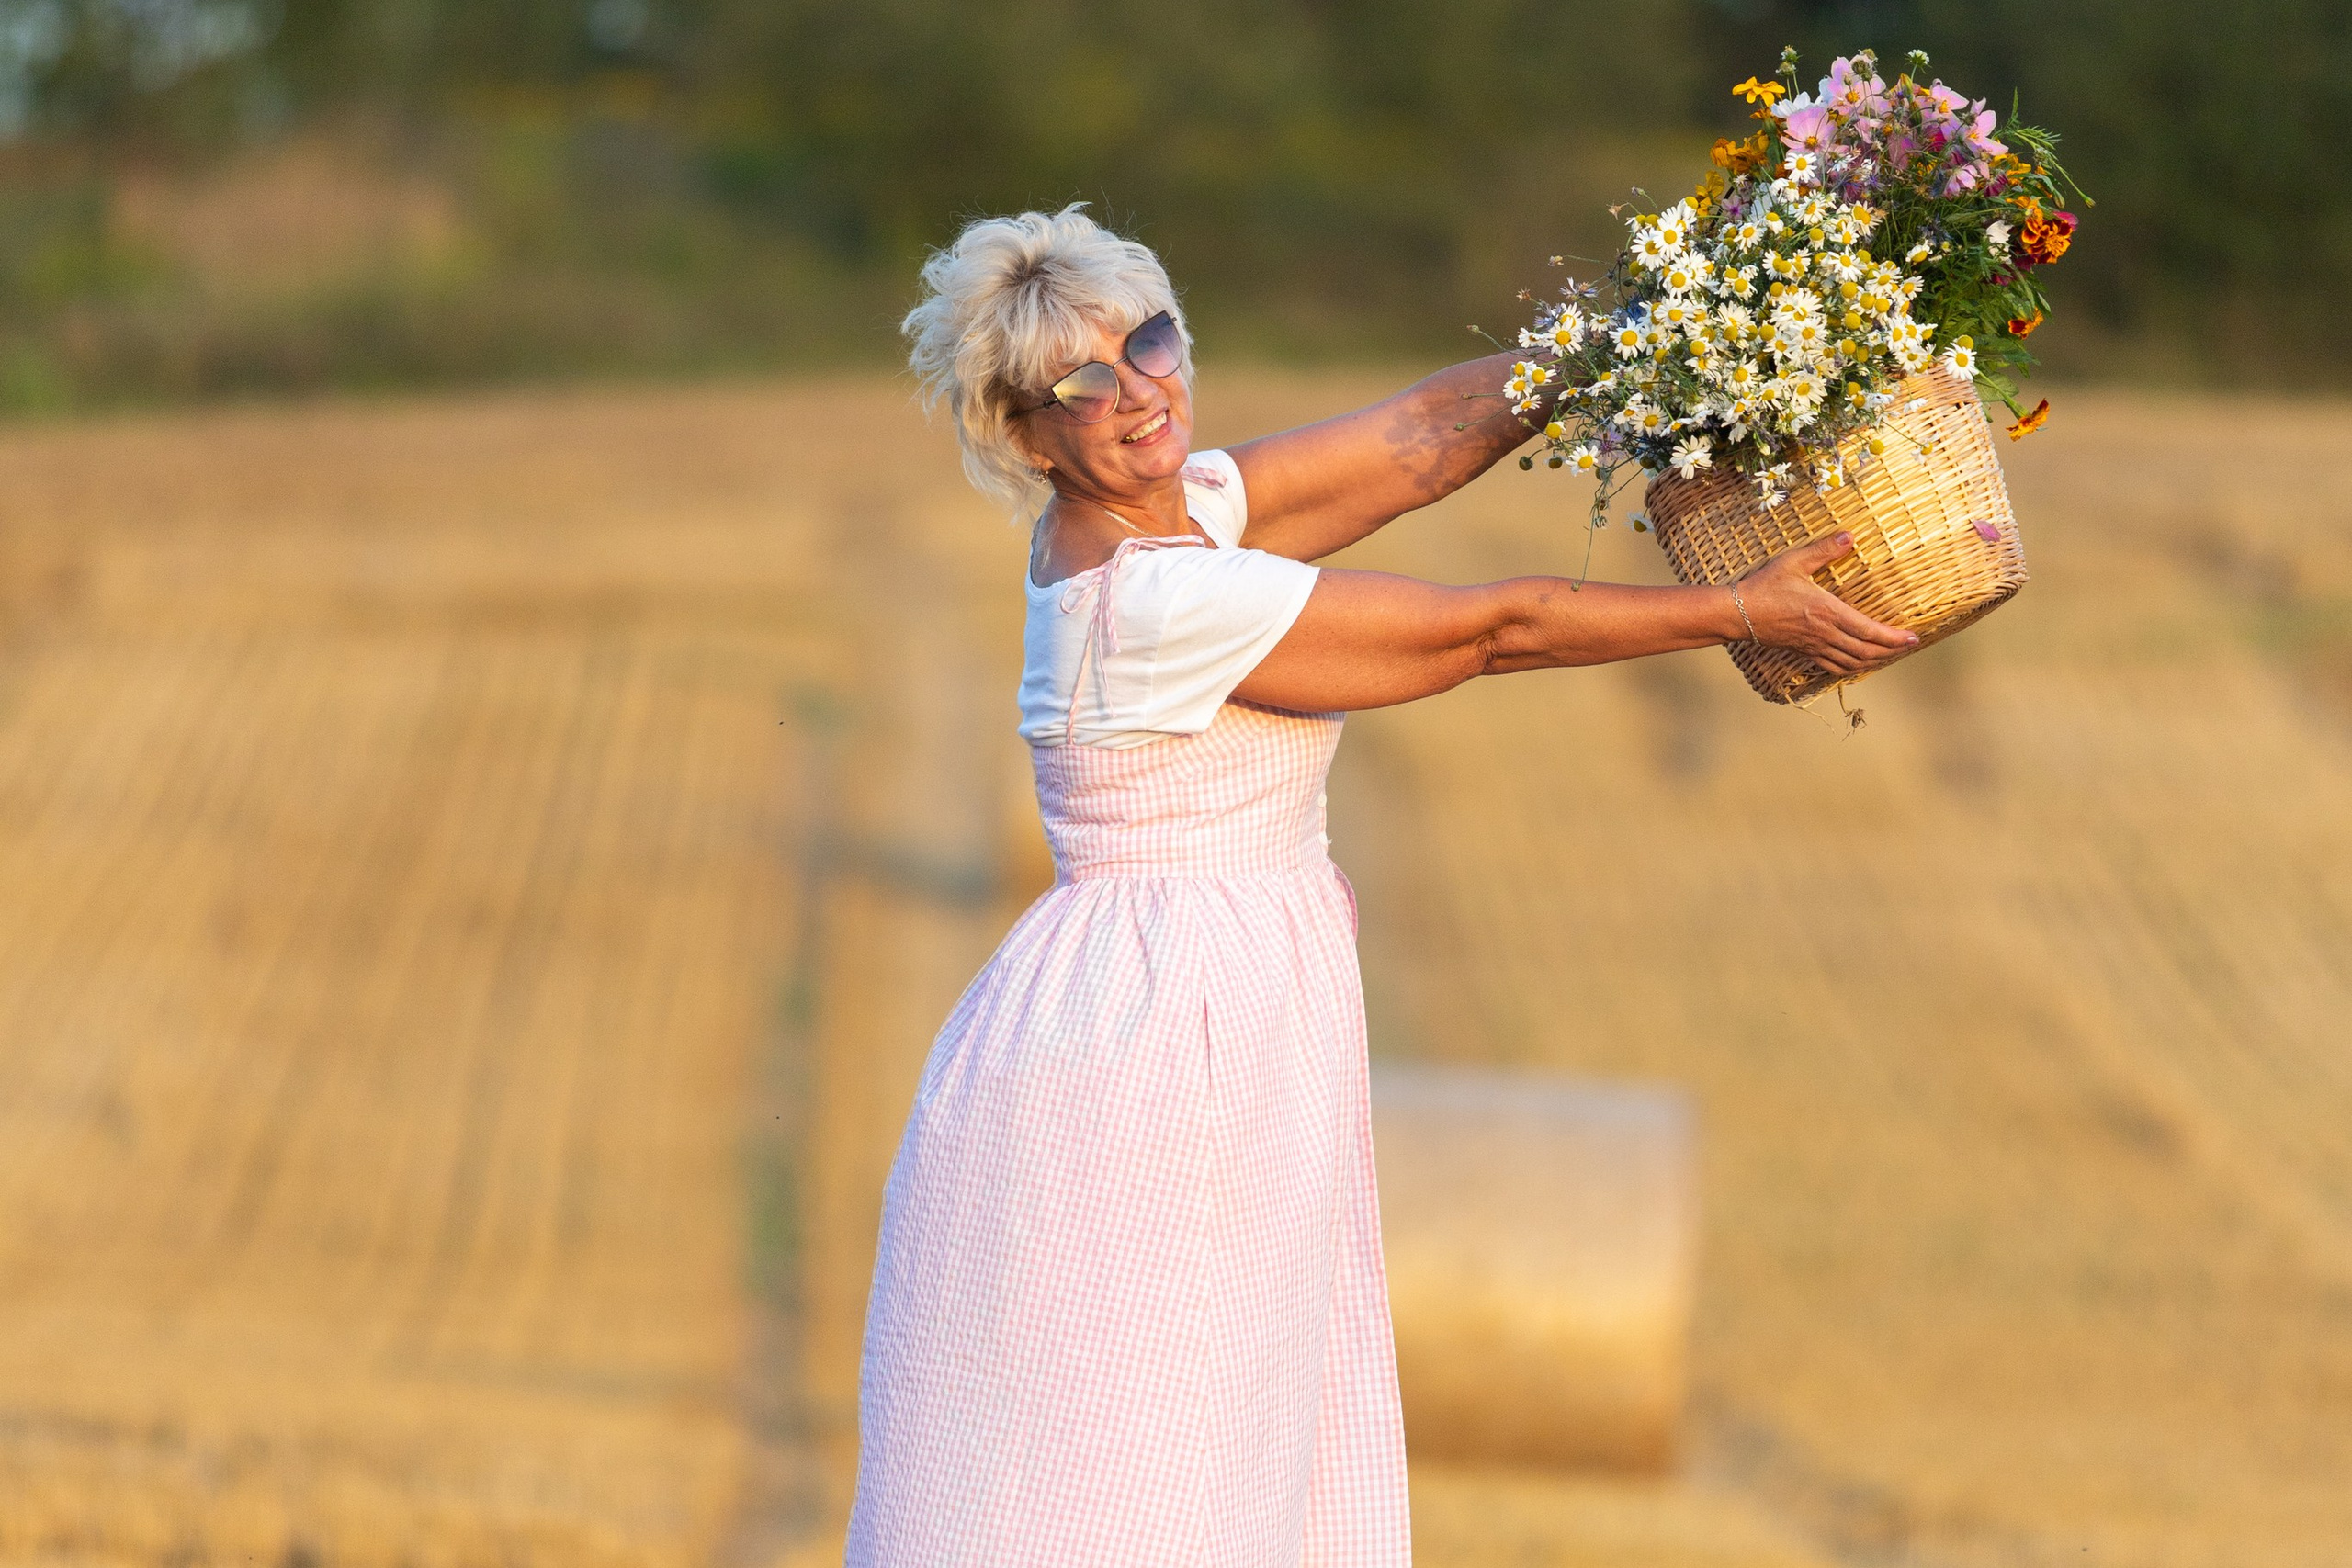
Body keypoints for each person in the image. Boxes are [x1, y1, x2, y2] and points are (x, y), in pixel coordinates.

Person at [847, 204, 1914, 1566]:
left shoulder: (1184, 516)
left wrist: (1622, 336)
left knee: (1221, 1443)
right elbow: (1484, 632)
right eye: (1082, 385)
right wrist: (1735, 610)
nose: (1138, 394)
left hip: (1198, 1011)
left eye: (1152, 344)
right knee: (1148, 1459)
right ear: (1025, 434)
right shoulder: (1151, 602)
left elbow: (1415, 444)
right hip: (1160, 1057)